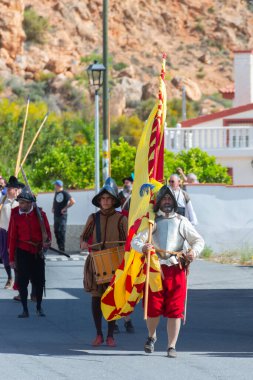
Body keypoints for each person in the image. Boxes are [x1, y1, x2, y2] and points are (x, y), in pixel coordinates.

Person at [131, 185, 204, 358]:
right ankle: (151, 336)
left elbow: (198, 240)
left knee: (175, 309)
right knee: (153, 307)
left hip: (176, 268)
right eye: (164, 198)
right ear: (158, 202)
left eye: (169, 198)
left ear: (174, 202)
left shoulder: (182, 221)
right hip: (155, 269)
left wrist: (193, 252)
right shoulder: (151, 222)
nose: (167, 201)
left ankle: (171, 346)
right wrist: (143, 247)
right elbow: (136, 241)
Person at [81, 178, 128, 347]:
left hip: (115, 263)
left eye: (109, 198)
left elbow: (127, 242)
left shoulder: (121, 219)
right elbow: (84, 238)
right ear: (99, 201)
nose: (106, 201)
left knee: (112, 300)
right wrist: (84, 244)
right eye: (103, 198)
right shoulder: (93, 218)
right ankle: (99, 334)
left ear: (114, 200)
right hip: (96, 262)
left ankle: (110, 335)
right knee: (96, 299)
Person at [8, 187, 51, 318]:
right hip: (22, 252)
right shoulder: (16, 217)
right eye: (20, 203)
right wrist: (11, 259)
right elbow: (12, 238)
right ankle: (25, 310)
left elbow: (47, 233)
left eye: (23, 203)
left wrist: (46, 242)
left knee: (39, 281)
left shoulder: (41, 215)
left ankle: (38, 307)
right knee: (22, 282)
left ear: (30, 203)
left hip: (37, 252)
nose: (20, 205)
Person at [0, 176, 24, 289]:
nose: (9, 189)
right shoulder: (2, 200)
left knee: (17, 256)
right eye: (8, 187)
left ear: (16, 190)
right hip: (3, 231)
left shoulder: (21, 202)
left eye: (11, 188)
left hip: (16, 233)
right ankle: (10, 278)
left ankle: (18, 279)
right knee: (5, 255)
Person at [52, 180, 75, 252]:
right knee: (56, 231)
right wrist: (53, 208)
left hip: (62, 216)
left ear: (58, 185)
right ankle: (60, 248)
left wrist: (65, 208)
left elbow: (73, 201)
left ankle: (62, 249)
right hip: (56, 215)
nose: (54, 186)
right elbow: (55, 201)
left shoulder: (65, 193)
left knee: (61, 231)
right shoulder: (56, 193)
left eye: (55, 185)